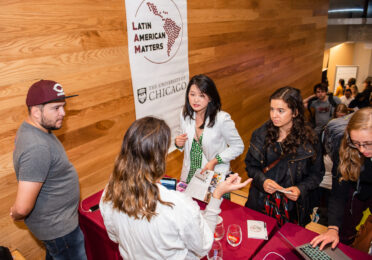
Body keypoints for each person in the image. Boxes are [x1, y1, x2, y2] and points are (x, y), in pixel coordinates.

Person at [99, 117, 251, 260]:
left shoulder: (110, 192)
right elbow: (204, 245)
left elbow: (114, 236)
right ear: (160, 158)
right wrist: (217, 195)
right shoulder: (176, 204)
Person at [10, 80, 87, 260]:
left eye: (63, 106)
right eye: (56, 108)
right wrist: (16, 212)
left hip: (58, 225)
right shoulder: (37, 147)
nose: (63, 113)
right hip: (60, 231)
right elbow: (22, 207)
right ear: (36, 111)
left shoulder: (36, 129)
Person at [245, 87, 324, 226]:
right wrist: (262, 181)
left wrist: (301, 189)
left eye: (281, 111)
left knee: (285, 245)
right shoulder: (260, 134)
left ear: (295, 112)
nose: (274, 115)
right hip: (261, 201)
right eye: (272, 109)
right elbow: (251, 166)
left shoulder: (310, 140)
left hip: (293, 208)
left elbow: (316, 174)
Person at [311, 107, 372, 250]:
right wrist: (332, 228)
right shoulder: (344, 145)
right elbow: (339, 191)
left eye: (368, 143)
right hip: (355, 188)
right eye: (356, 143)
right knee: (344, 230)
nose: (362, 150)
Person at [175, 74, 244, 185]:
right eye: (192, 94)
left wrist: (215, 161)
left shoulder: (222, 119)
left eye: (201, 95)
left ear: (210, 97)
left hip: (214, 174)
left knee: (213, 202)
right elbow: (182, 140)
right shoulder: (185, 116)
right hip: (190, 174)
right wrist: (178, 143)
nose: (195, 100)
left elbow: (238, 146)